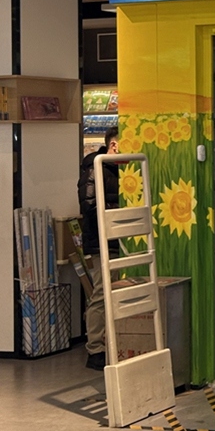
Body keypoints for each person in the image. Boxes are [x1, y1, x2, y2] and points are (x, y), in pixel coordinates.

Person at [78, 126, 120, 371]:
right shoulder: (96, 169)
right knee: (102, 293)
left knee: (112, 293)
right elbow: (90, 206)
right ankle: (95, 348)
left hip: (115, 240)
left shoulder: (116, 169)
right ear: (114, 145)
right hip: (103, 241)